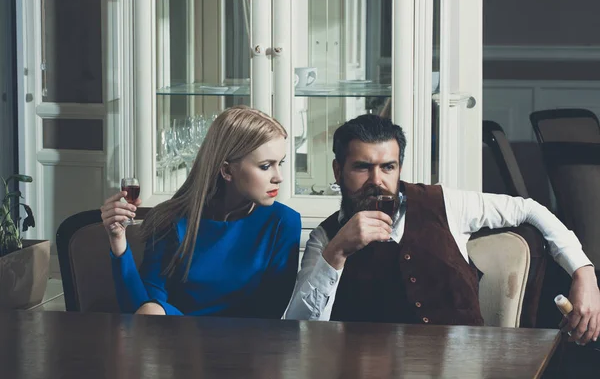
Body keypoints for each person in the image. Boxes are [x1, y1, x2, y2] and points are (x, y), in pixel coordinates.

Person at [285, 114, 600, 346]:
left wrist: (584, 273)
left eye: (388, 167)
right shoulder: (325, 239)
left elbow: (531, 209)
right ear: (338, 171)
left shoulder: (444, 202)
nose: (376, 181)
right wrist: (337, 253)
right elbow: (300, 329)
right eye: (362, 167)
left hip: (464, 368)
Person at [101, 106, 301, 317]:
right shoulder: (170, 219)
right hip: (177, 340)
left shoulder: (283, 222)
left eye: (280, 163)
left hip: (247, 342)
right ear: (226, 170)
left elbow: (271, 312)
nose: (278, 177)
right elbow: (140, 309)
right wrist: (118, 242)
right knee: (150, 312)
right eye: (265, 166)